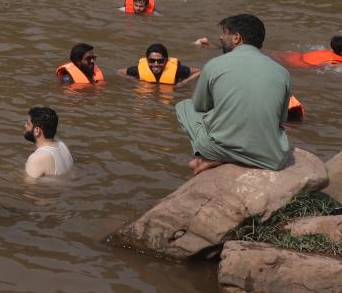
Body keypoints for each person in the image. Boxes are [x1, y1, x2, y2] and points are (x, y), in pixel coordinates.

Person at [176, 14, 293, 174]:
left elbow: (200, 106)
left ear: (236, 37)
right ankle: (236, 155)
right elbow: (281, 119)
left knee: (184, 106)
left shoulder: (215, 65)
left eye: (224, 33)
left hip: (218, 148)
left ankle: (214, 156)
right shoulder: (282, 72)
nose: (220, 37)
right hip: (272, 156)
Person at [23, 107, 72, 178]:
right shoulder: (62, 145)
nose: (25, 126)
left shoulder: (36, 159)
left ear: (37, 131)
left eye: (28, 124)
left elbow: (29, 187)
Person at [125, 43, 200, 85]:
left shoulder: (178, 70)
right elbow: (120, 72)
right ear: (147, 60)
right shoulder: (137, 70)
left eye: (160, 61)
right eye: (152, 60)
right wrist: (135, 81)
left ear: (166, 60)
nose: (156, 64)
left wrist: (183, 83)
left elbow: (199, 71)